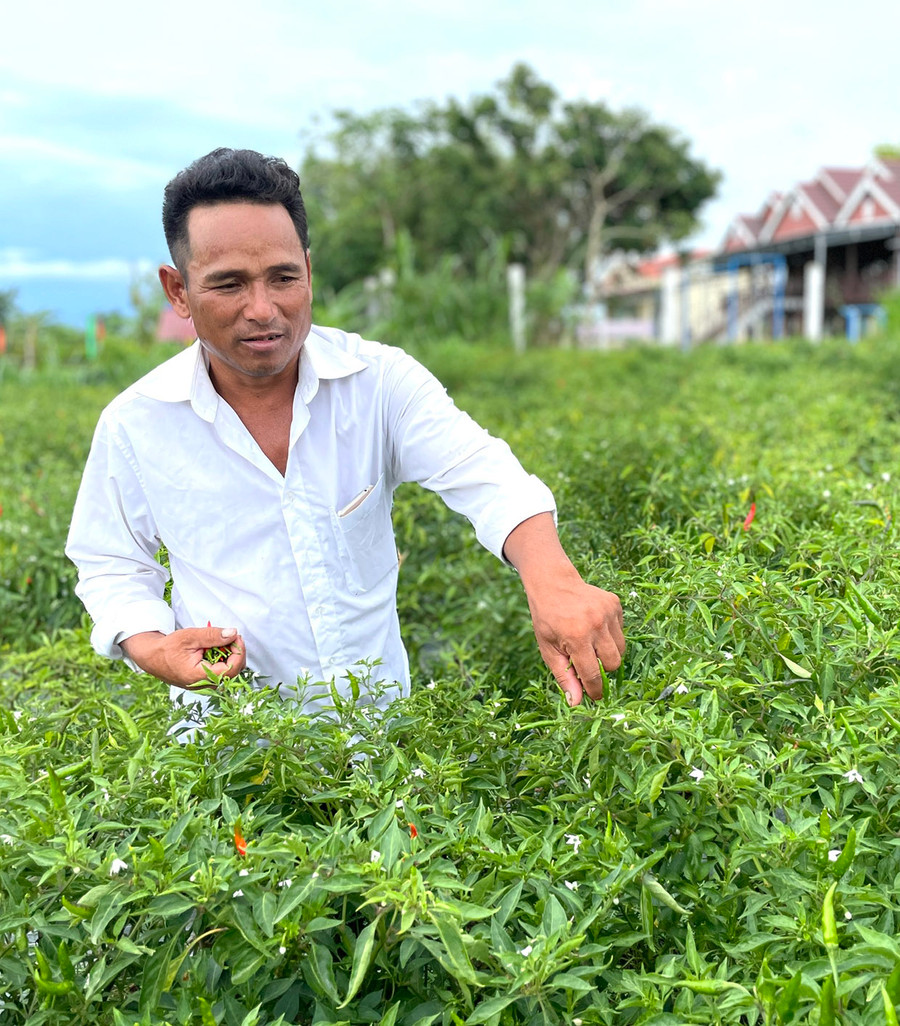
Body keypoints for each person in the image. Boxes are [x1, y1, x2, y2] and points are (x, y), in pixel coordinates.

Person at [66, 148, 625, 723]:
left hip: (382, 756)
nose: (263, 309)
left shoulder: (378, 382)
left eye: (283, 278)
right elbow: (111, 561)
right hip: (227, 763)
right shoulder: (137, 422)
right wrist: (153, 647)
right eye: (228, 284)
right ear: (178, 290)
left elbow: (484, 474)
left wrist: (552, 578)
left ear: (307, 270)